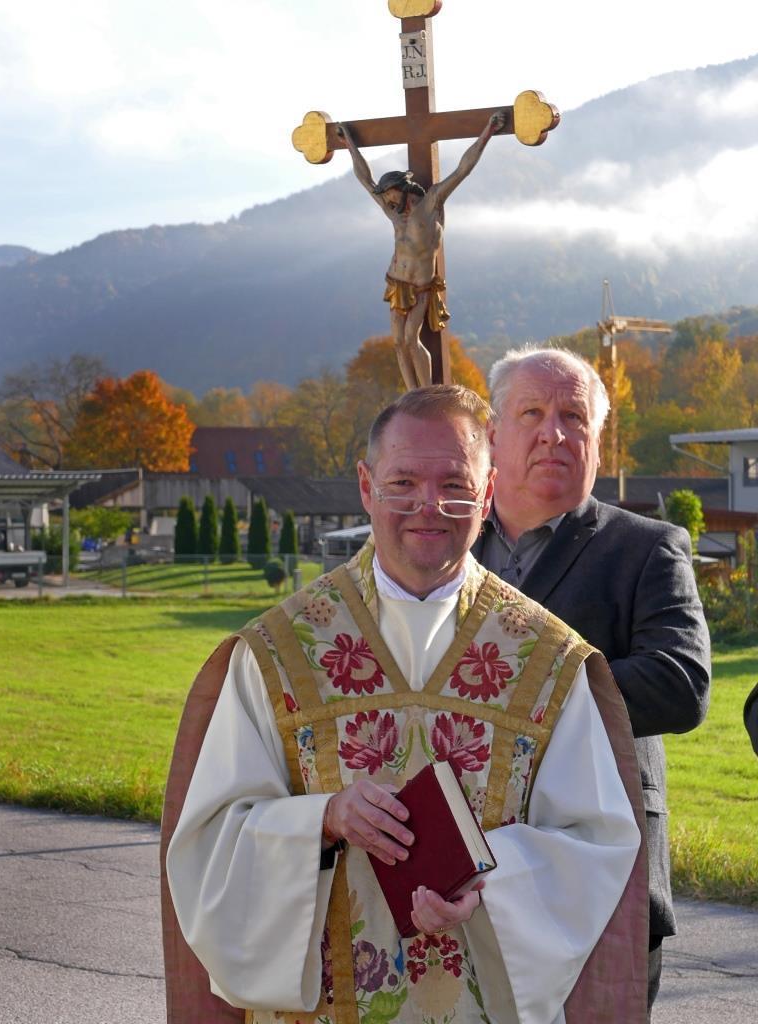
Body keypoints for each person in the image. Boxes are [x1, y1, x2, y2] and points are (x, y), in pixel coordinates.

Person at [162, 385, 647, 1024]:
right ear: (367, 487)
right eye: (402, 484)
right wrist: (323, 818)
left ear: (488, 492)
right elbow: (212, 843)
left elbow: (594, 844)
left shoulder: (546, 661)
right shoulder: (281, 652)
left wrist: (492, 880)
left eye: (455, 485)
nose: (429, 507)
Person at [473, 347, 711, 1015]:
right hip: (464, 868)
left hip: (603, 869)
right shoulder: (449, 549)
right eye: (532, 413)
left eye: (574, 417)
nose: (554, 433)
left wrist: (521, 699)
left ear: (598, 441)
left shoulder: (647, 547)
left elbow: (681, 682)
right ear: (492, 434)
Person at [337, 114, 504, 390]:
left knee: (411, 340)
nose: (387, 201)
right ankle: (412, 394)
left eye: (390, 195)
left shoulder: (431, 203)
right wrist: (349, 144)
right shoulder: (394, 213)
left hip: (422, 285)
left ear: (401, 190)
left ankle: (424, 391)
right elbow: (364, 179)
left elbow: (463, 169)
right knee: (399, 343)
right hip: (397, 282)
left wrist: (487, 131)